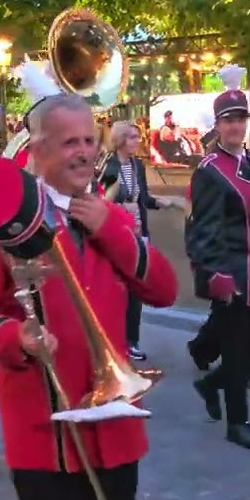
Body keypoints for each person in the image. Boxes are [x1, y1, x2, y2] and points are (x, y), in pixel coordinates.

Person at [0, 93, 178, 500]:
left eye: (90, 141)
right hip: (46, 423)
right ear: (38, 150)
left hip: (115, 422)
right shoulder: (4, 221)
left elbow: (164, 290)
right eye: (69, 142)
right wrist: (16, 336)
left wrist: (111, 229)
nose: (83, 152)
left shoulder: (110, 215)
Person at [184, 65, 250, 451]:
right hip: (232, 271)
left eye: (240, 119)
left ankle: (211, 383)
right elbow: (201, 229)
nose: (236, 126)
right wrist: (215, 273)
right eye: (228, 120)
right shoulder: (210, 171)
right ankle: (238, 423)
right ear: (218, 125)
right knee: (237, 350)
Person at [97, 120, 183, 361]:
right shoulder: (108, 165)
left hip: (138, 233)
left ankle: (131, 341)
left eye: (137, 137)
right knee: (116, 289)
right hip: (116, 233)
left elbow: (142, 196)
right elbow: (99, 200)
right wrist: (120, 206)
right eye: (132, 137)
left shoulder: (137, 165)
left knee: (136, 288)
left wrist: (161, 202)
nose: (137, 141)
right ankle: (112, 340)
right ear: (121, 140)